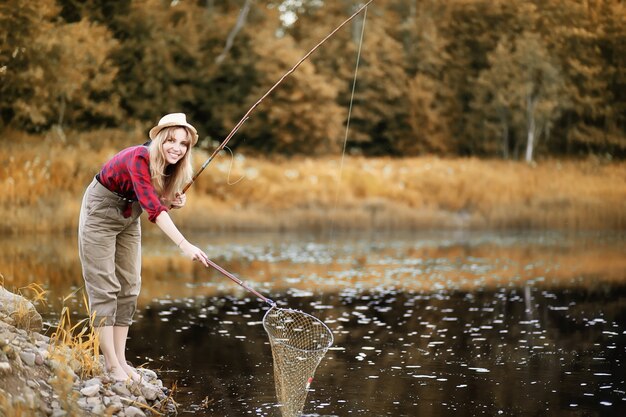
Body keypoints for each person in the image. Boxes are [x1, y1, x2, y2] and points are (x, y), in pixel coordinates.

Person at [78, 113, 210, 382]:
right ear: (160, 139)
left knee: (130, 285)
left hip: (129, 215)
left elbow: (153, 199)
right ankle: (111, 365)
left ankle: (122, 361)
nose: (177, 147)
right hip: (100, 212)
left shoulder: (169, 166)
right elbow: (154, 210)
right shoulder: (139, 157)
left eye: (183, 144)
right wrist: (184, 244)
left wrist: (171, 200)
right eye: (171, 140)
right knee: (104, 285)